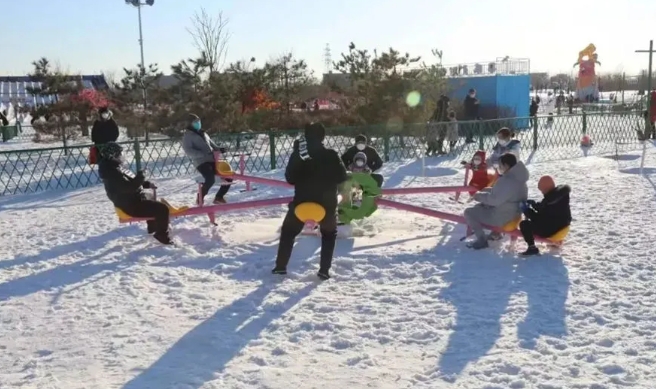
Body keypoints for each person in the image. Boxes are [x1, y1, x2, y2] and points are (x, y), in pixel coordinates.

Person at [273, 122, 348, 280]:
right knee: (329, 234)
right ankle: (324, 270)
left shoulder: (299, 155)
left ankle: (280, 267)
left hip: (301, 205)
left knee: (288, 233)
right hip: (326, 207)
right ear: (323, 136)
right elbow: (342, 177)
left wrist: (297, 158)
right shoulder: (331, 155)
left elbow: (290, 179)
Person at [98, 142, 173, 245]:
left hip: (131, 200)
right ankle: (162, 235)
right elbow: (129, 187)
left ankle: (152, 228)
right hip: (130, 205)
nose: (122, 155)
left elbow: (131, 182)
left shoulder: (115, 167)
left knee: (151, 198)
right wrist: (142, 176)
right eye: (120, 153)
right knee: (162, 209)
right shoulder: (112, 173)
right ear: (113, 155)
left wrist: (146, 184)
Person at [463, 153, 529, 249]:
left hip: (503, 217)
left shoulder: (507, 180)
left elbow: (494, 200)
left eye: (500, 165)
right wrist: (486, 190)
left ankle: (482, 240)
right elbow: (504, 194)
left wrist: (478, 196)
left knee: (469, 212)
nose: (499, 168)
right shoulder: (519, 178)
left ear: (506, 166)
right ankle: (496, 233)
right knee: (481, 207)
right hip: (515, 214)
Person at [181, 113, 232, 204]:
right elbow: (188, 151)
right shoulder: (187, 137)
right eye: (195, 122)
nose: (198, 123)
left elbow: (212, 145)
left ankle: (219, 197)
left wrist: (219, 149)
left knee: (228, 176)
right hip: (201, 162)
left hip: (212, 160)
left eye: (199, 121)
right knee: (210, 178)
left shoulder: (203, 133)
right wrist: (202, 154)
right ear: (189, 124)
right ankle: (200, 197)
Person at [519, 176, 572, 256]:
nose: (542, 193)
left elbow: (539, 219)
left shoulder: (549, 202)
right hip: (563, 225)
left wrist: (527, 211)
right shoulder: (560, 197)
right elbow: (545, 208)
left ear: (546, 189)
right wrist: (534, 205)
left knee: (524, 224)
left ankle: (532, 248)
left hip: (551, 230)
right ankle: (556, 242)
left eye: (542, 190)